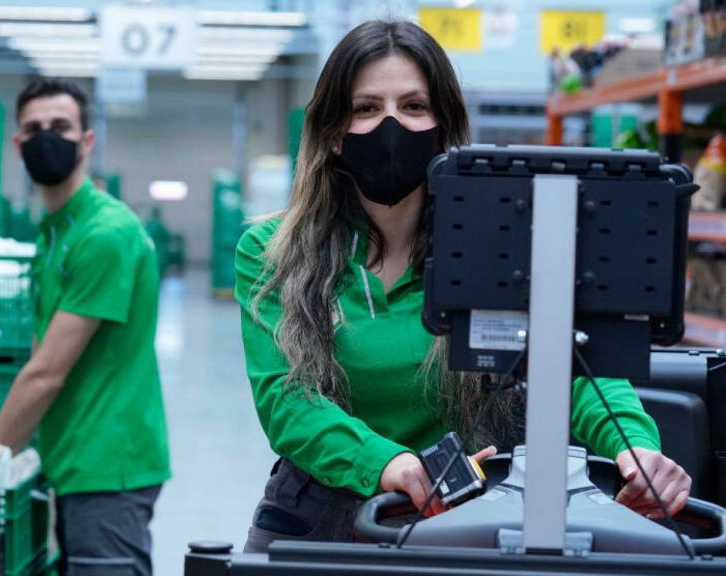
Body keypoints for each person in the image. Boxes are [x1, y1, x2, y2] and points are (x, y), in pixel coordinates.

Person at [235, 20, 692, 553]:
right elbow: (288, 400)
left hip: (469, 503)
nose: (391, 125)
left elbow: (573, 362)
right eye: (366, 108)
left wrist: (633, 447)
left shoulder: (503, 241)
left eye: (412, 106)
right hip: (320, 514)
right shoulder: (272, 251)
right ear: (334, 134)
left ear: (442, 126)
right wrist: (391, 464)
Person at [0, 78, 170, 575]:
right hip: (73, 453)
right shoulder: (55, 229)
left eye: (61, 127)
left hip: (109, 464)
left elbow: (46, 371)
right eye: (35, 129)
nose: (47, 137)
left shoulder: (104, 234)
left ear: (87, 141)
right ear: (18, 144)